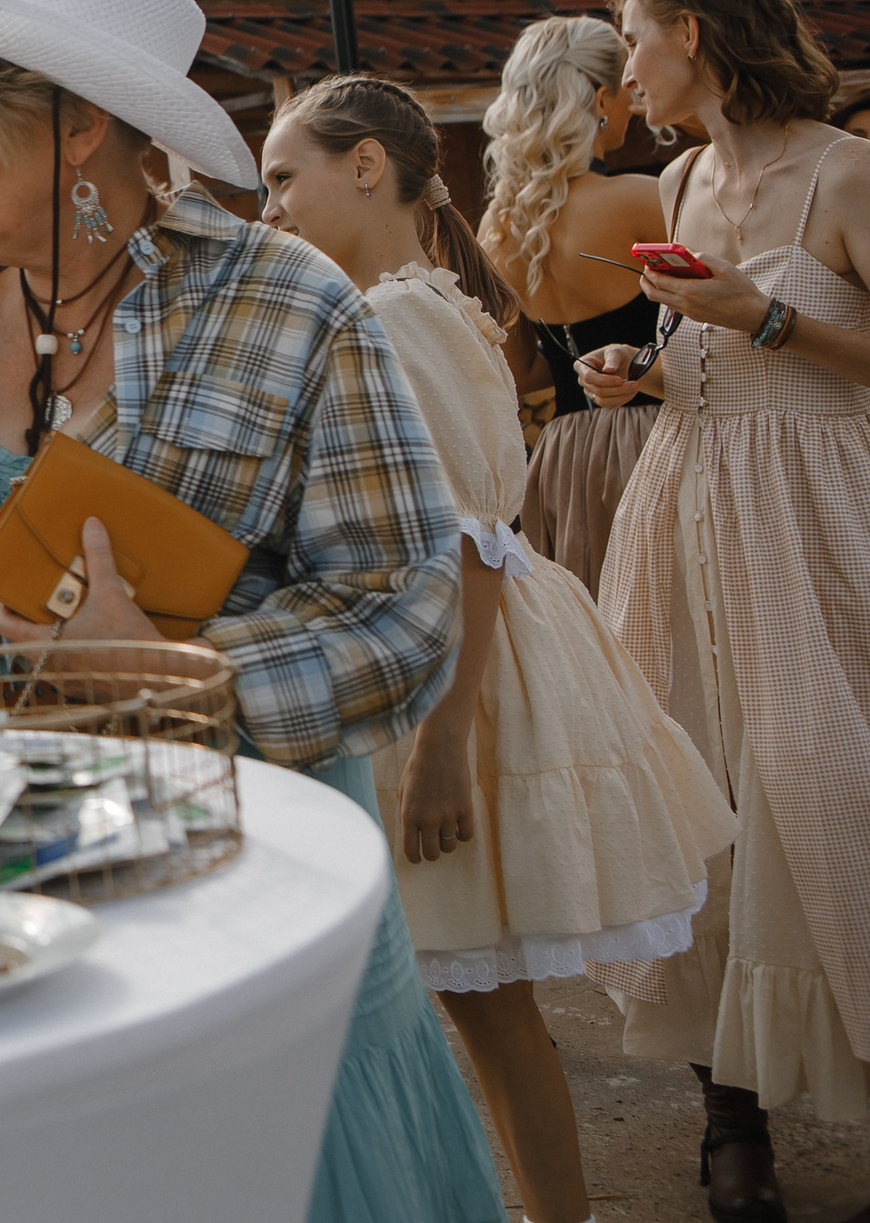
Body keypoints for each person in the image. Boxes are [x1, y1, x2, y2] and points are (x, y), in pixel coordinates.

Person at [0, 0, 502, 1223]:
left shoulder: (290, 303)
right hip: (9, 911)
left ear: (78, 124)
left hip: (249, 901)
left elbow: (403, 607)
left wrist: (174, 671)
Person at [261, 75, 737, 1223]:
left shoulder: (397, 321)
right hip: (437, 660)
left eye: (283, 178)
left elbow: (470, 541)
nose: (268, 207)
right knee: (478, 1007)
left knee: (490, 1007)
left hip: (455, 680)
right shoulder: (399, 306)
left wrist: (440, 746)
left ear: (365, 167)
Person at [578, 0, 870, 1217]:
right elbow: (705, 360)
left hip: (819, 520)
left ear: (691, 32)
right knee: (690, 804)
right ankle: (729, 1121)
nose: (624, 70)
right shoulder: (679, 179)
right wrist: (636, 374)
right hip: (685, 512)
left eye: (633, 39)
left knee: (826, 788)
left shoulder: (847, 173)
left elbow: (790, 346)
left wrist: (764, 316)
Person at [475, 16, 666, 600]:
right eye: (625, 88)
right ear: (601, 100)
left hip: (564, 457)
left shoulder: (498, 229)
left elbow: (520, 372)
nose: (634, 101)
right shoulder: (642, 198)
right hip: (657, 439)